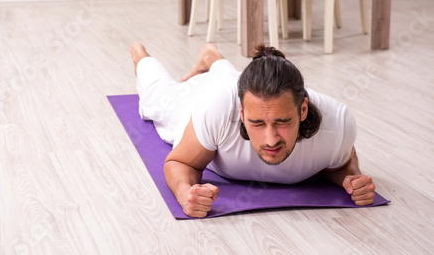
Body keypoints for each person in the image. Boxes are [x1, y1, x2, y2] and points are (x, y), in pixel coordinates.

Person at [131, 42, 376, 218]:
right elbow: (180, 162)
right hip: (203, 99)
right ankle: (140, 53)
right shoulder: (216, 110)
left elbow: (342, 161)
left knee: (232, 79)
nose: (270, 140)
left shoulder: (337, 124)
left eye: (282, 122)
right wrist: (185, 193)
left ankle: (212, 58)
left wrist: (351, 177)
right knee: (157, 96)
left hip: (236, 88)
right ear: (241, 112)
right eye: (257, 123)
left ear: (303, 110)